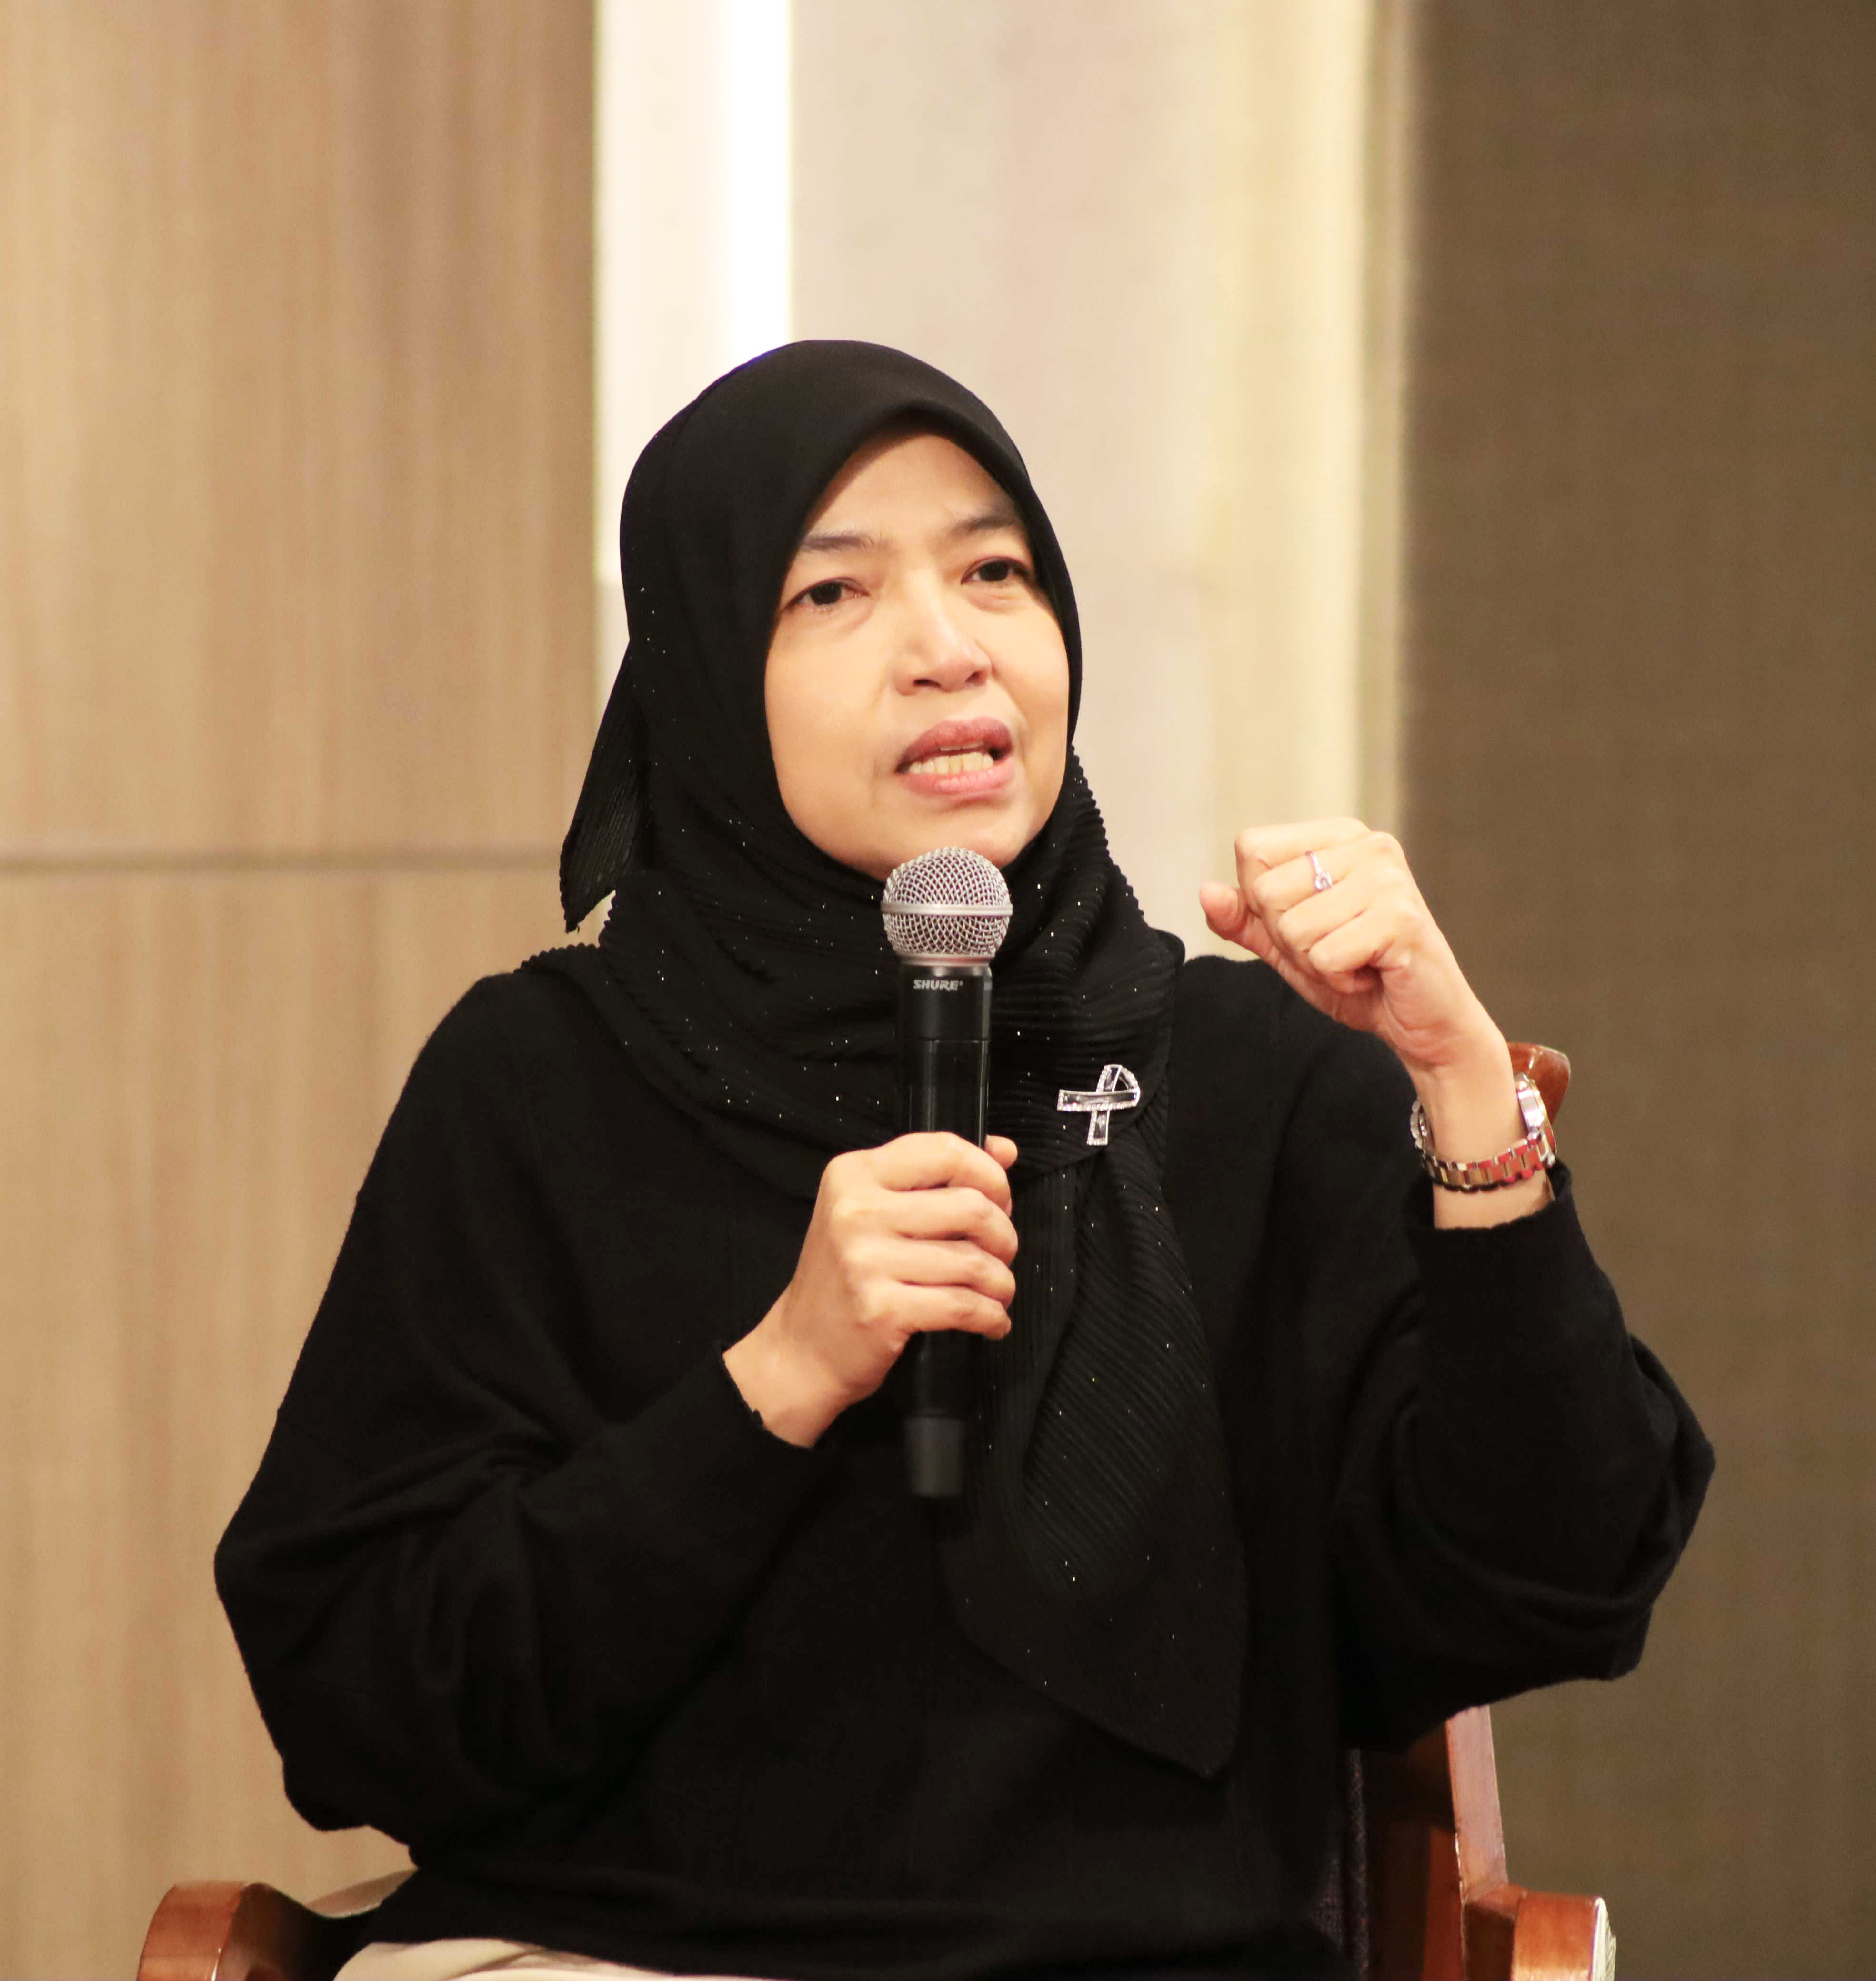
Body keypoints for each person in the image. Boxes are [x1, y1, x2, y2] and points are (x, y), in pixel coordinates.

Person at [217, 341, 1712, 1981]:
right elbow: (361, 1706)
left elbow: (1564, 1579)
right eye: (833, 594)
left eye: (996, 572)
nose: (949, 648)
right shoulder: (541, 1087)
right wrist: (776, 1383)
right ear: (705, 676)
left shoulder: (1249, 1080)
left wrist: (1465, 1088)